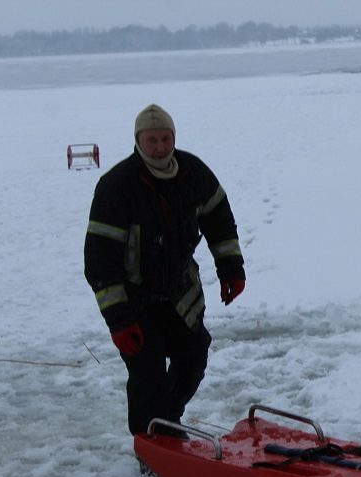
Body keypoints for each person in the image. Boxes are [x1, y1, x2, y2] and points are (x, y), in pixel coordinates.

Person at [84, 103, 245, 436]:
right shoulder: (117, 186)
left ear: (174, 138)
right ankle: (151, 446)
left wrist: (231, 268)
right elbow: (100, 259)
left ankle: (166, 421)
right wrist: (119, 320)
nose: (159, 147)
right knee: (149, 373)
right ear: (138, 141)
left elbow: (219, 220)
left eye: (165, 139)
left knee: (194, 356)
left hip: (179, 293)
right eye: (151, 140)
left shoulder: (193, 173)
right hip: (135, 299)